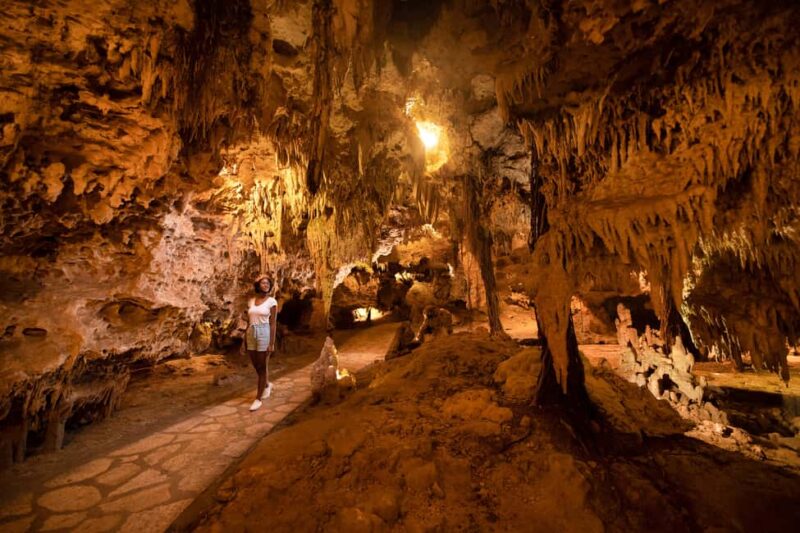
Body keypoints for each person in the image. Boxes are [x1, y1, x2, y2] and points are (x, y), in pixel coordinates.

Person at [242, 275, 278, 411]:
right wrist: (243, 341)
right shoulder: (251, 301)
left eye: (268, 283)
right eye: (263, 283)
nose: (266, 285)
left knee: (262, 366)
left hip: (264, 332)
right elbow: (248, 322)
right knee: (256, 364)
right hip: (251, 332)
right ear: (258, 285)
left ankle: (258, 398)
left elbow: (273, 324)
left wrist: (271, 343)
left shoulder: (272, 302)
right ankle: (267, 385)